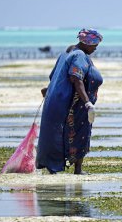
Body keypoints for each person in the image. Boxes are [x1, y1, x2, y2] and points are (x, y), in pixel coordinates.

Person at [36, 28, 103, 174]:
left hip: (63, 102)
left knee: (64, 134)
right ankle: (77, 169)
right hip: (74, 104)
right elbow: (76, 79)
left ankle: (62, 167)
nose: (96, 48)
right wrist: (87, 103)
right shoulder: (79, 55)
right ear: (87, 42)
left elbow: (54, 76)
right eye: (94, 45)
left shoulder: (66, 53)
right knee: (79, 132)